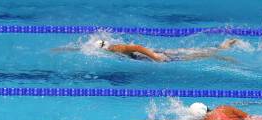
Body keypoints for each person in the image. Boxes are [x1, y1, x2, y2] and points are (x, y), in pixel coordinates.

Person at [53, 38, 242, 62]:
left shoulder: (115, 49)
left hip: (158, 55)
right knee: (188, 51)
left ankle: (222, 53)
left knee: (193, 56)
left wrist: (155, 58)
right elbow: (77, 47)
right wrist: (63, 49)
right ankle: (221, 47)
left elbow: (136, 47)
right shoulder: (109, 48)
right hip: (156, 52)